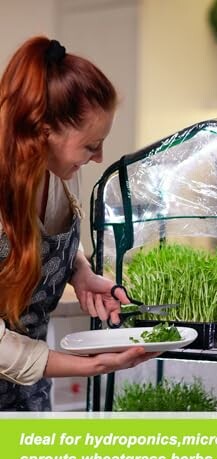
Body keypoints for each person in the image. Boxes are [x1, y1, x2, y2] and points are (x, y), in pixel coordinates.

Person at [0, 37, 157, 411]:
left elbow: (52, 237)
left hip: (27, 394)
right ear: (44, 132)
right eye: (90, 146)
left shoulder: (54, 172)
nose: (99, 157)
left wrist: (81, 272)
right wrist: (91, 366)